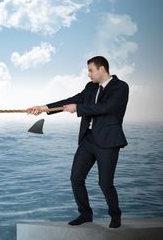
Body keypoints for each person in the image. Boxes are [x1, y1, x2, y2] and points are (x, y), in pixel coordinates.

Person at [27, 56, 129, 228]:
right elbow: (72, 100)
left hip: (108, 142)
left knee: (105, 184)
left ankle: (115, 215)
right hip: (88, 140)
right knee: (76, 178)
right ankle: (85, 214)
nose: (88, 74)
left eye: (91, 70)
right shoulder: (90, 87)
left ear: (102, 69)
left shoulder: (121, 87)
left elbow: (106, 108)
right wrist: (44, 108)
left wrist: (78, 108)